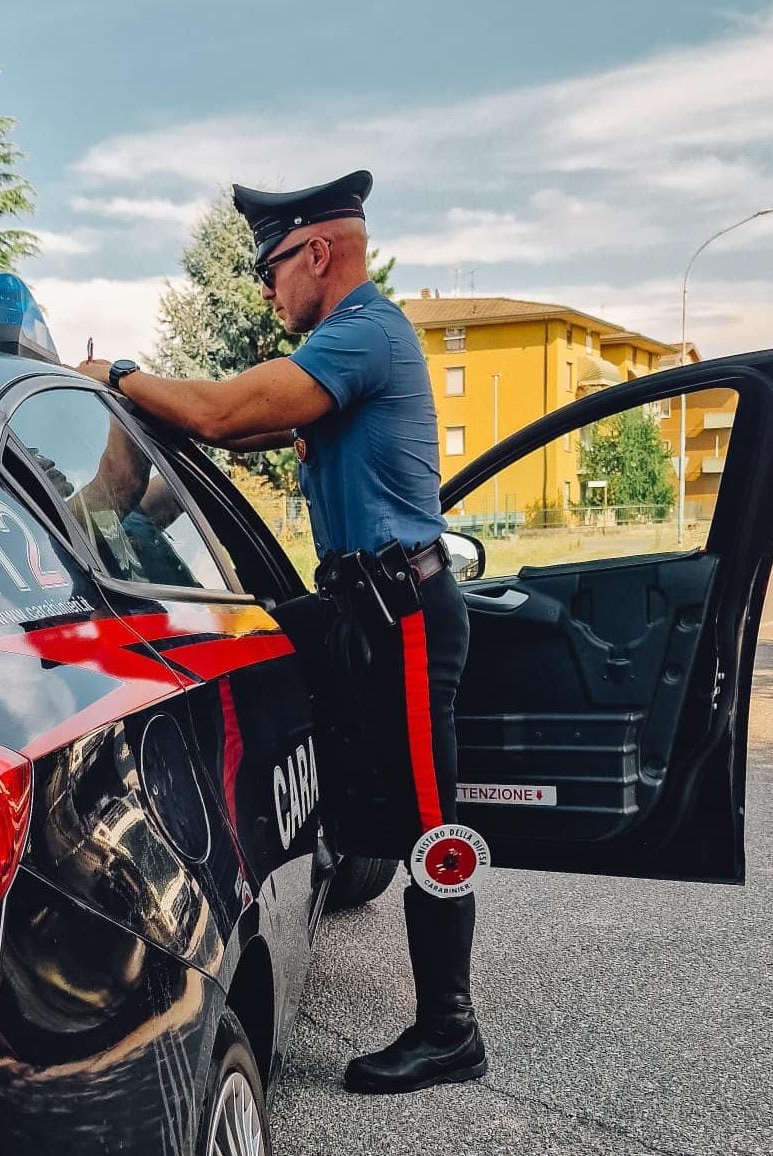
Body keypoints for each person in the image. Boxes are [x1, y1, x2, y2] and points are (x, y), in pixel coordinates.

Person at [78, 169, 485, 1095]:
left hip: (405, 615)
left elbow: (222, 411)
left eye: (270, 273)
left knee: (432, 827)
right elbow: (213, 437)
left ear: (316, 252)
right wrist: (123, 446)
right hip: (353, 610)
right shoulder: (340, 356)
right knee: (247, 653)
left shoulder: (365, 334)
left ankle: (450, 1029)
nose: (266, 293)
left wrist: (119, 373)